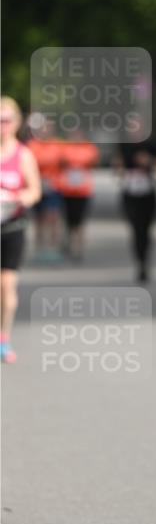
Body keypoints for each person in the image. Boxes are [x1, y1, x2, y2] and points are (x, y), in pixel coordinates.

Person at [0, 97, 42, 363]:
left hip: (12, 225)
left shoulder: (23, 154)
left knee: (7, 284)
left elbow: (35, 190)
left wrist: (19, 199)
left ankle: (4, 337)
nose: (1, 126)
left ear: (15, 123)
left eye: (5, 120)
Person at [114, 133, 156, 283]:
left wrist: (149, 161)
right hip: (130, 192)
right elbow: (117, 166)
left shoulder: (152, 144)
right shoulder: (124, 145)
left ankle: (145, 259)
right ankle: (140, 262)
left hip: (148, 193)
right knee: (136, 228)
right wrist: (121, 170)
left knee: (146, 230)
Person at [55, 131, 100, 261]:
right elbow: (59, 163)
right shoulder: (65, 147)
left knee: (79, 221)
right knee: (68, 220)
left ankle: (78, 248)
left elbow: (94, 162)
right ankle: (69, 243)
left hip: (83, 190)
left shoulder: (89, 147)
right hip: (67, 189)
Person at [26, 116, 65, 262]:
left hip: (54, 187)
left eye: (49, 127)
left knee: (53, 217)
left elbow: (65, 163)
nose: (46, 130)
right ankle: (39, 248)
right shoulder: (32, 145)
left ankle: (53, 248)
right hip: (37, 186)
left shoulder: (58, 144)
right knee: (39, 219)